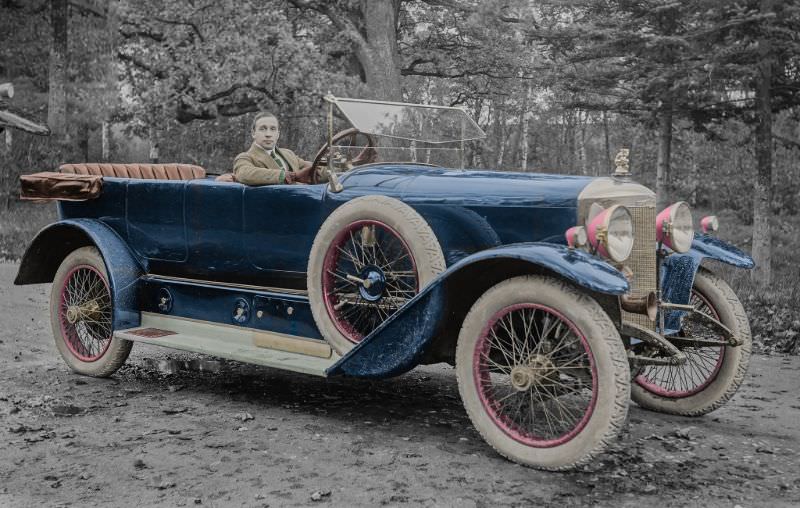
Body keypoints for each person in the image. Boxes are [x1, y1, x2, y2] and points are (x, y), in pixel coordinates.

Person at [232, 112, 317, 185]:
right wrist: (284, 176)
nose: (268, 134)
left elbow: (315, 169)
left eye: (273, 129)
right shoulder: (245, 157)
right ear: (253, 133)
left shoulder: (288, 154)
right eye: (263, 129)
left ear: (278, 134)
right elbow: (244, 174)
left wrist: (329, 165)